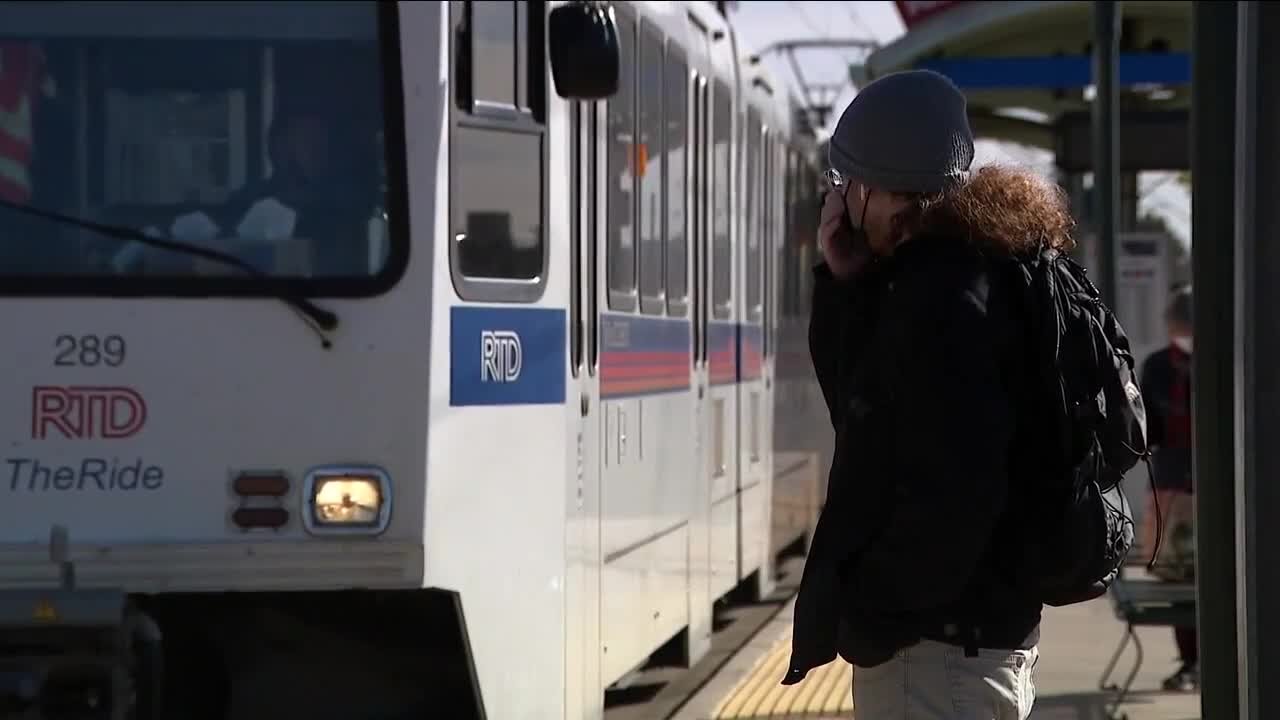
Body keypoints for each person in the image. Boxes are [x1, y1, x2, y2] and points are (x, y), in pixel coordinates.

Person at [781, 69, 1079, 719]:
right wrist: (845, 282)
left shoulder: (940, 301)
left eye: (846, 183)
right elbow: (869, 426)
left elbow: (952, 495)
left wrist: (868, 618)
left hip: (937, 655)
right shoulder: (985, 269)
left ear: (876, 188)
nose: (840, 201)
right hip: (973, 643)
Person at [1139, 287, 1197, 692]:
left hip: (1211, 485)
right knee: (1177, 578)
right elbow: (1150, 428)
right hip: (1172, 484)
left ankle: (1211, 656)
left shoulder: (1222, 360)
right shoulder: (1158, 366)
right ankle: (1190, 659)